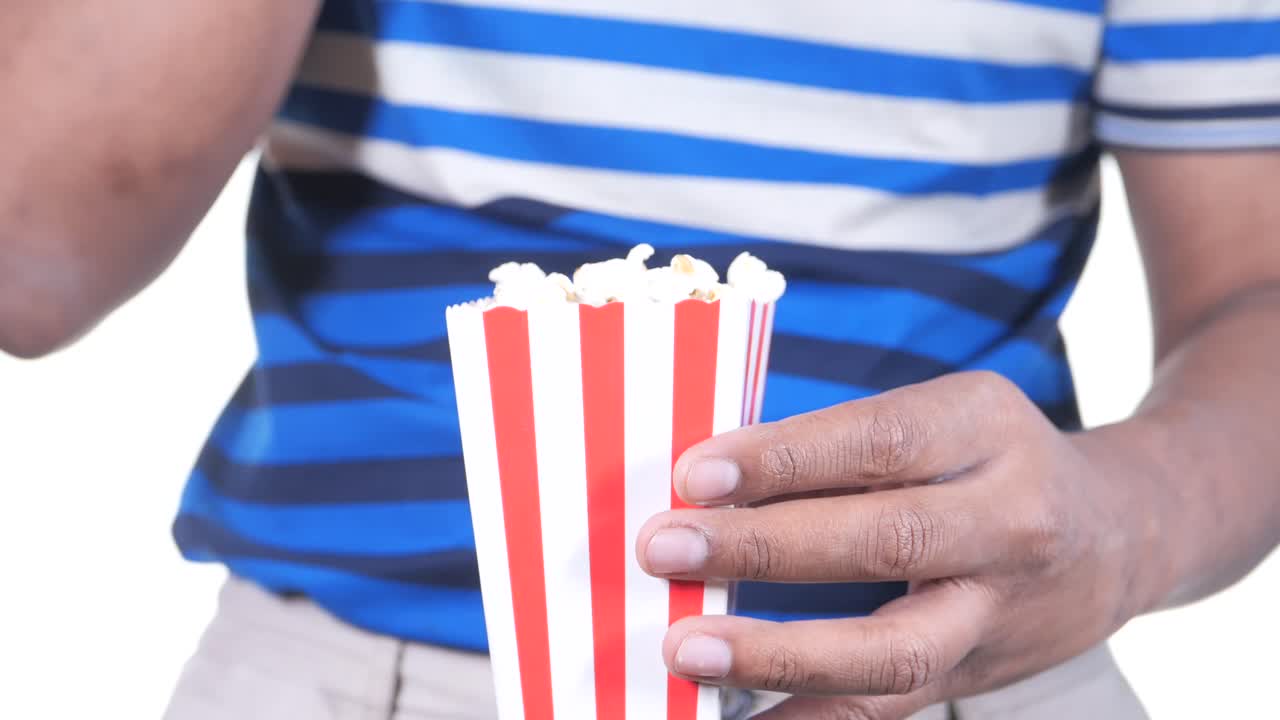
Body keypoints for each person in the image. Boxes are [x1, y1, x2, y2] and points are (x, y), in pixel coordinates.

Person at [3, 1, 1278, 718]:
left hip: (949, 673)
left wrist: (1129, 521)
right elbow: (30, 248)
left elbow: (1255, 292)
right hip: (349, 677)